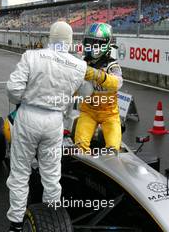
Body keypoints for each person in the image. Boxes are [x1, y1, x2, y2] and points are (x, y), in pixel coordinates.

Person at [6, 21, 118, 232]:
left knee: (20, 172)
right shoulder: (78, 65)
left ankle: (16, 224)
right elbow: (85, 94)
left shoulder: (31, 56)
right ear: (69, 40)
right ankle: (52, 220)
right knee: (51, 173)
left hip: (29, 116)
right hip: (55, 122)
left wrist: (28, 98)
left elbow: (13, 90)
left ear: (51, 36)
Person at [75, 22, 123, 152]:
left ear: (106, 43)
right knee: (80, 147)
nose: (92, 46)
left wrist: (98, 75)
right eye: (89, 41)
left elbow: (118, 83)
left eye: (97, 42)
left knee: (113, 150)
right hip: (88, 111)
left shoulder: (111, 65)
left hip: (110, 115)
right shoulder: (81, 63)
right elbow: (72, 87)